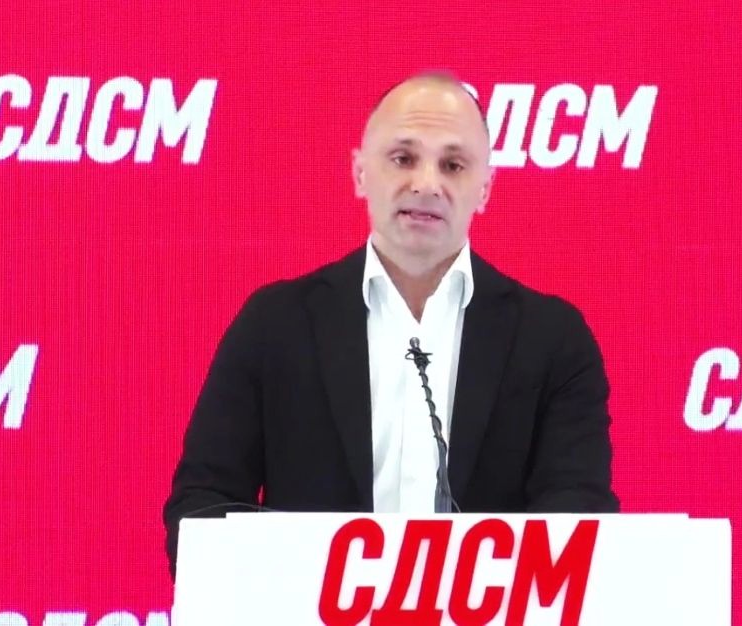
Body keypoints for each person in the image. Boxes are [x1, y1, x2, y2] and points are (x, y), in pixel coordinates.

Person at [163, 71, 619, 577]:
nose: (426, 184)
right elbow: (201, 509)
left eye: (453, 165)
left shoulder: (552, 339)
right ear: (360, 173)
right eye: (403, 158)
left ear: (485, 189)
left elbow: (578, 522)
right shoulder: (275, 324)